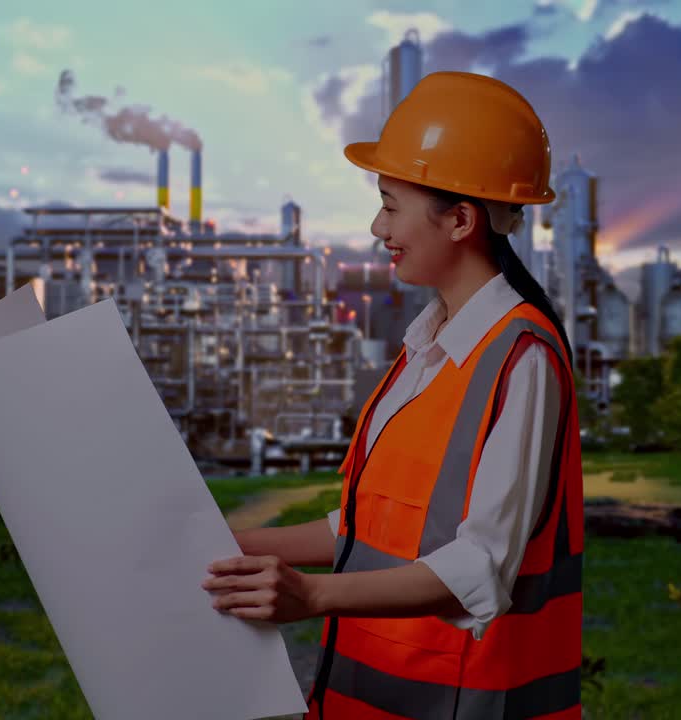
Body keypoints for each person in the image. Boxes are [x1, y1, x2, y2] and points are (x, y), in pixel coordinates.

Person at [202, 71, 584, 720]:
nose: (378, 227)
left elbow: (480, 566)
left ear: (460, 219)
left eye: (390, 203)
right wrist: (234, 546)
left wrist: (313, 598)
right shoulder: (424, 349)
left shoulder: (522, 359)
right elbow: (370, 530)